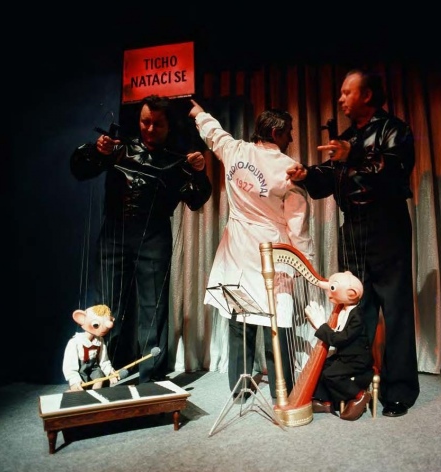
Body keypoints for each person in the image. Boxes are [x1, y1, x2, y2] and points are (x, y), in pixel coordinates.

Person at [286, 68, 420, 417]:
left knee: (395, 309)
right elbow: (329, 179)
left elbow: (392, 170)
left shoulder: (394, 129)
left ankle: (399, 391)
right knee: (356, 309)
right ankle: (355, 386)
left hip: (387, 224)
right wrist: (307, 174)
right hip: (353, 226)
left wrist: (353, 153)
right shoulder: (346, 139)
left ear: (368, 95)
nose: (341, 98)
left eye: (348, 92)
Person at [70, 94, 213, 384]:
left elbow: (196, 200)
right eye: (145, 122)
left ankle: (151, 375)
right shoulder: (119, 148)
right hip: (114, 235)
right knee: (108, 306)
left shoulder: (177, 159)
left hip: (154, 238)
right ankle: (103, 371)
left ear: (168, 126)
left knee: (153, 307)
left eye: (157, 124)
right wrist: (97, 151)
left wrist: (199, 173)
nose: (149, 129)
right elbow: (80, 170)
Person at [188, 99, 314, 401]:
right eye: (288, 132)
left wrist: (198, 113)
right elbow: (297, 223)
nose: (291, 138)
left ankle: (240, 388)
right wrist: (305, 264)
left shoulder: (235, 150)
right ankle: (283, 390)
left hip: (237, 250)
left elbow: (213, 133)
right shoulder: (288, 169)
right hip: (272, 251)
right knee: (277, 322)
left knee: (240, 318)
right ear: (275, 132)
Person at [305, 271, 374, 421]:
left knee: (332, 374)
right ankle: (326, 402)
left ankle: (359, 395)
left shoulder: (358, 316)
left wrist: (321, 326)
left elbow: (339, 340)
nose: (329, 292)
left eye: (333, 288)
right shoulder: (343, 309)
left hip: (356, 359)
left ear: (351, 294)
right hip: (345, 355)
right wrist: (320, 327)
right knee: (322, 366)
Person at [62, 304, 120, 391]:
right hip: (80, 370)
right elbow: (69, 366)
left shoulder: (100, 341)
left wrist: (110, 373)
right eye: (96, 325)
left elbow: (104, 361)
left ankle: (95, 395)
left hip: (94, 368)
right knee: (78, 389)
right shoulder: (75, 342)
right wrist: (74, 380)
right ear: (81, 319)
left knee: (99, 378)